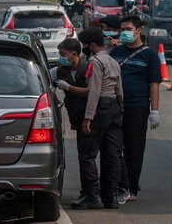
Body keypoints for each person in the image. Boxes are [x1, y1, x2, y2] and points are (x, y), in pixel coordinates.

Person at [108, 14, 162, 202]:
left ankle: (132, 187)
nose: (124, 33)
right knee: (114, 148)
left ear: (138, 31)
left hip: (137, 107)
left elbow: (154, 84)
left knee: (134, 148)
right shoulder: (115, 53)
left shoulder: (150, 55)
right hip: (115, 106)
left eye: (128, 29)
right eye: (122, 29)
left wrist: (154, 111)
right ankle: (116, 184)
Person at [72, 28, 124, 210]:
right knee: (112, 155)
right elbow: (119, 90)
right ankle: (112, 197)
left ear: (91, 45)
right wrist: (119, 111)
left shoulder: (94, 62)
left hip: (99, 108)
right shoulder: (112, 61)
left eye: (84, 45)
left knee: (87, 154)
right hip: (114, 108)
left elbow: (94, 91)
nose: (84, 48)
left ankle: (92, 196)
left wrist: (88, 118)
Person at [51, 39, 90, 204]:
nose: (60, 58)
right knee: (84, 155)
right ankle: (88, 191)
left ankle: (106, 190)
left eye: (62, 54)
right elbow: (45, 82)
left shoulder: (88, 68)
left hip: (93, 116)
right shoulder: (60, 71)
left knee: (103, 154)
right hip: (77, 117)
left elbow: (90, 93)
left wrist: (67, 87)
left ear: (74, 54)